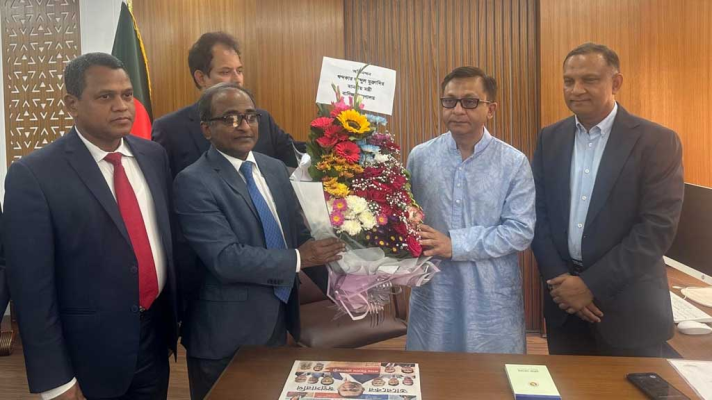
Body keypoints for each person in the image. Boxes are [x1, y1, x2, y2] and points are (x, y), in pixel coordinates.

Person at [3, 53, 178, 399]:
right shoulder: (34, 175)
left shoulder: (153, 156)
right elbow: (31, 289)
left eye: (127, 95)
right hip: (87, 356)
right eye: (105, 96)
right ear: (72, 104)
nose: (121, 106)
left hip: (153, 341)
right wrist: (55, 380)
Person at [173, 82, 344, 399]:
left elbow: (299, 235)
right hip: (225, 335)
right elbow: (226, 259)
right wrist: (299, 258)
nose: (244, 125)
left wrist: (345, 287)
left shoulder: (274, 168)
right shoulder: (193, 181)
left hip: (278, 323)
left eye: (250, 116)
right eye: (230, 118)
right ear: (207, 129)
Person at [531, 43, 684, 357]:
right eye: (569, 81)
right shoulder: (550, 138)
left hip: (629, 307)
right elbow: (537, 214)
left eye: (589, 79)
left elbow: (656, 228)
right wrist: (561, 281)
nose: (576, 89)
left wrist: (590, 285)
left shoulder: (657, 141)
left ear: (616, 83)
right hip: (564, 305)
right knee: (568, 382)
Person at [405, 67, 536, 354]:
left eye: (470, 101)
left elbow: (520, 231)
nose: (458, 110)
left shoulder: (513, 162)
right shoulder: (420, 157)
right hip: (435, 286)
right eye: (449, 101)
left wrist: (455, 244)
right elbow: (406, 217)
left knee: (492, 370)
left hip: (489, 292)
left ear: (491, 109)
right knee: (432, 366)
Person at [152, 31, 301, 177]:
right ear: (201, 78)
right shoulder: (170, 130)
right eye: (225, 72)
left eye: (239, 71)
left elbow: (299, 156)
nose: (237, 79)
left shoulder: (261, 119)